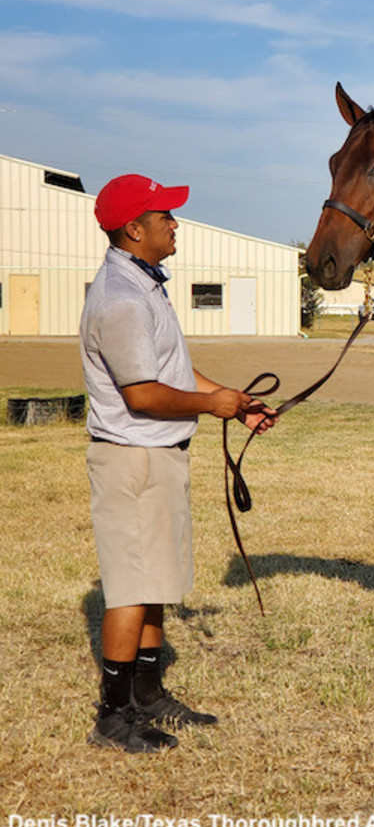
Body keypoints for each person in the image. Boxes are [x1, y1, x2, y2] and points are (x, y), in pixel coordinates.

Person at [80, 174, 276, 753]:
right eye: (164, 214)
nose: (175, 223)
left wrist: (233, 405)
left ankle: (147, 693)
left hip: (156, 455)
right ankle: (112, 719)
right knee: (130, 588)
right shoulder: (120, 299)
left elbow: (173, 374)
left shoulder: (144, 285)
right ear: (133, 229)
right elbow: (142, 393)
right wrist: (210, 404)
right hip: (133, 457)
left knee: (155, 577)